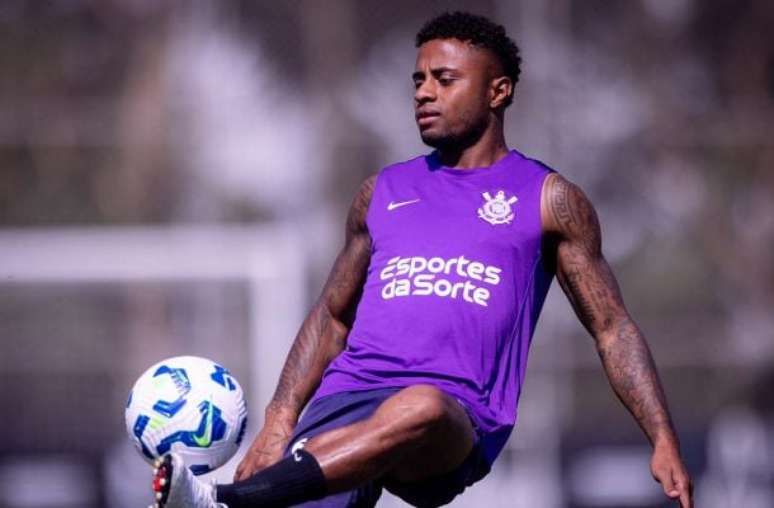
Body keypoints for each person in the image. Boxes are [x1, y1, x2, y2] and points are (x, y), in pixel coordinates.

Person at [150, 11, 693, 508]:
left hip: (453, 420)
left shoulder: (549, 200)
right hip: (348, 399)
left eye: (444, 79)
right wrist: (278, 420)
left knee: (421, 407)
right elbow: (332, 316)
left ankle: (230, 500)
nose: (424, 93)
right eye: (418, 80)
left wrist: (662, 435)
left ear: (498, 91)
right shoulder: (381, 192)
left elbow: (612, 328)